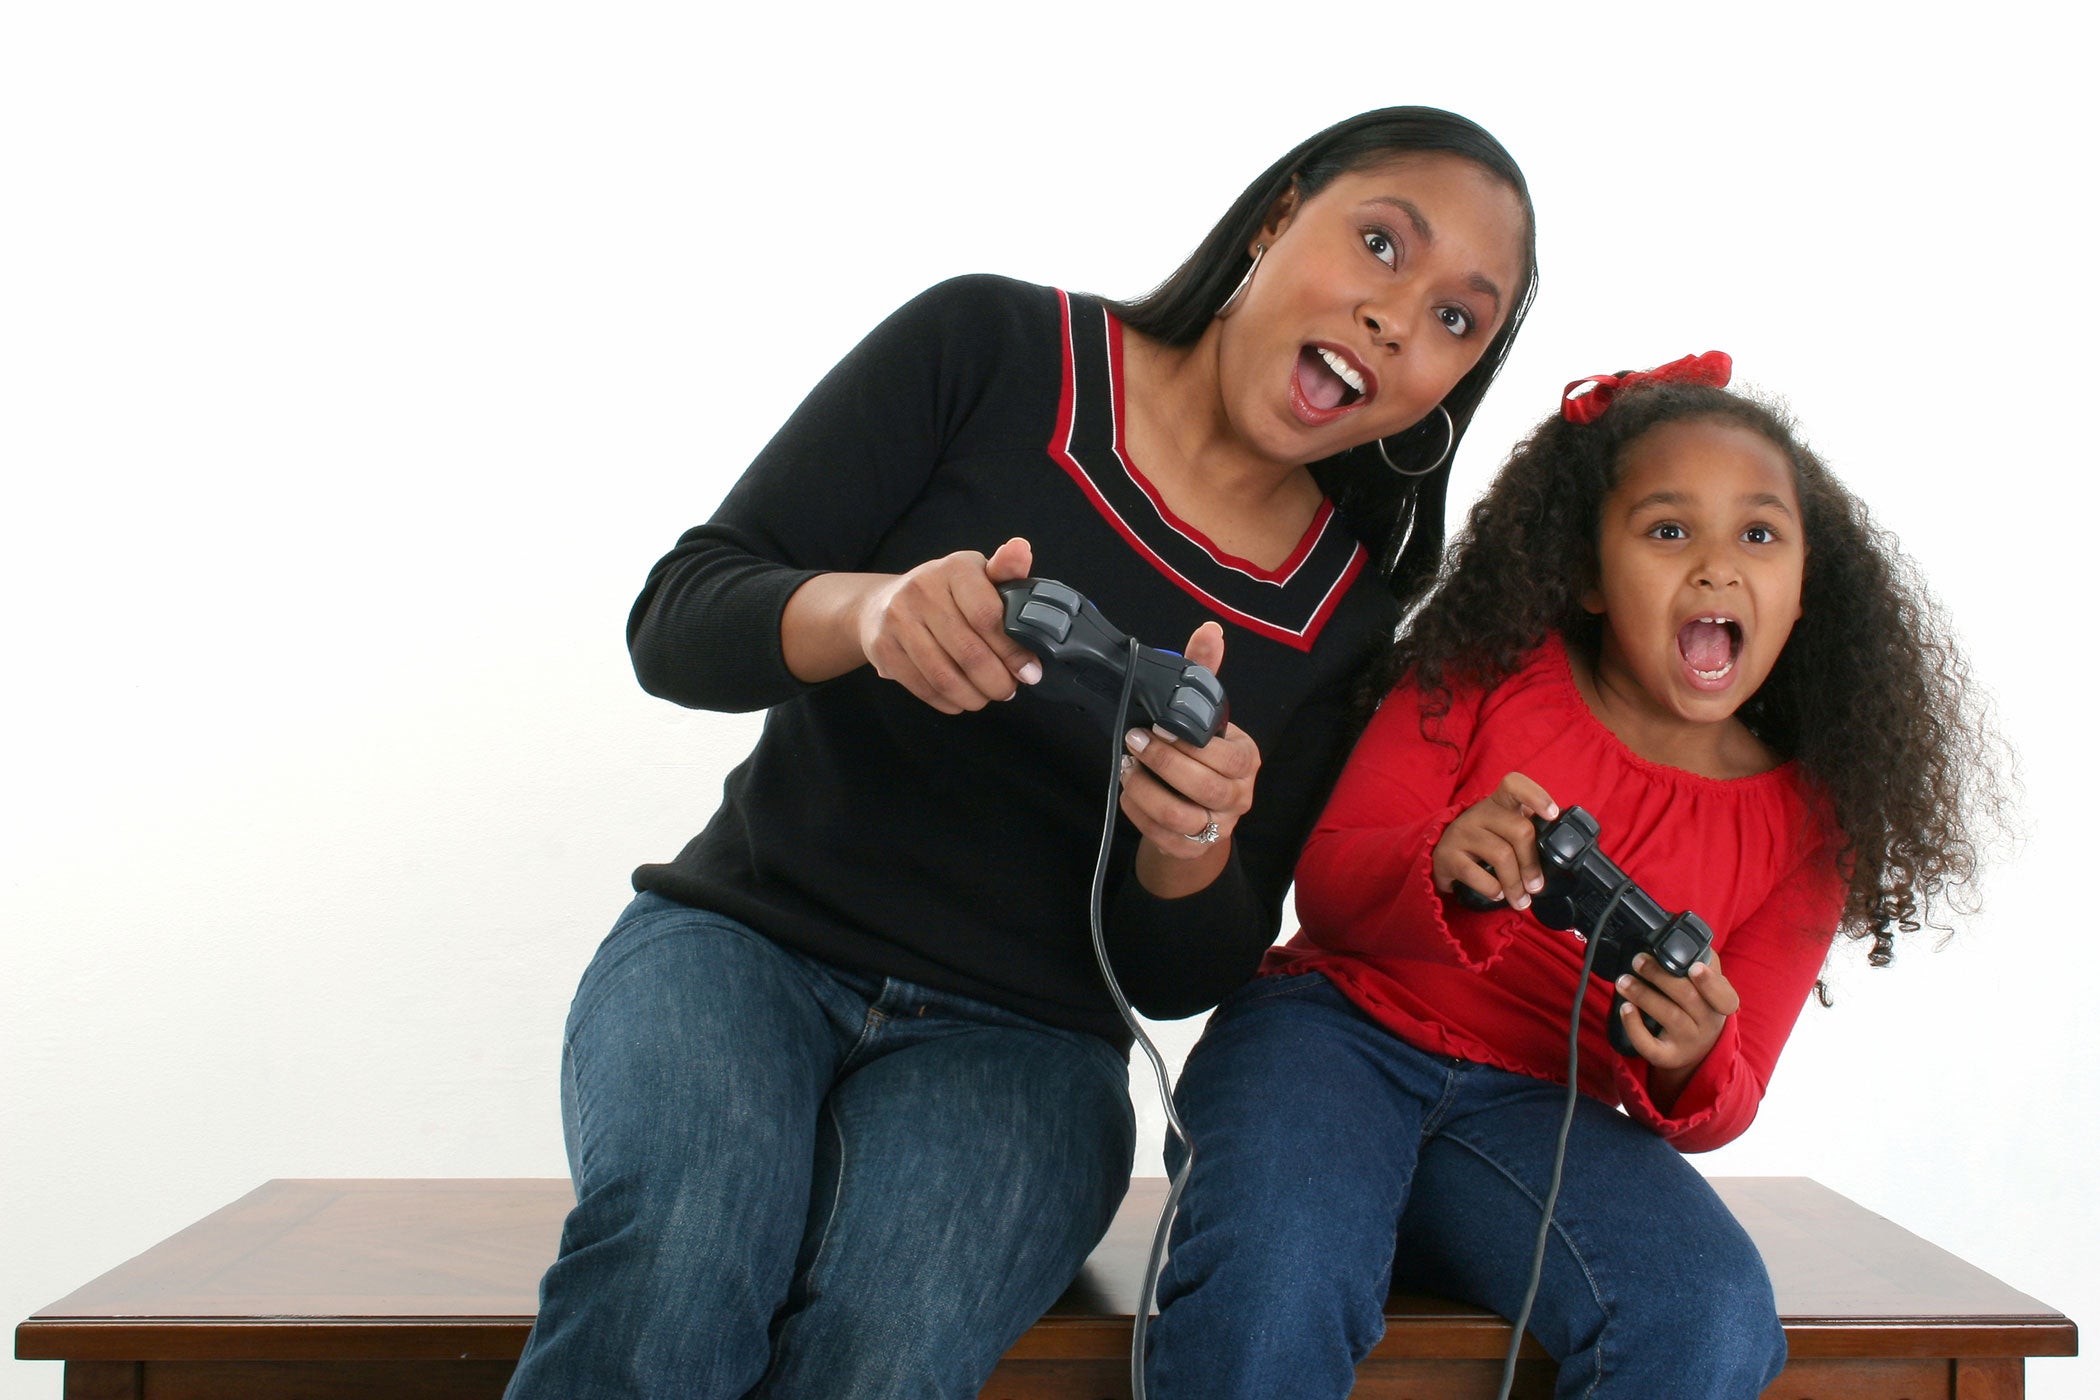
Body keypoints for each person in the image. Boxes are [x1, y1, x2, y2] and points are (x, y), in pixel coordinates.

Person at [502, 107, 1539, 1400]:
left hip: (1028, 1052)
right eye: (1382, 245)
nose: (1400, 318)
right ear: (1278, 218)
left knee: (883, 1346)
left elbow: (1185, 973)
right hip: (740, 949)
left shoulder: (1354, 621)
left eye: (1458, 318)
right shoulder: (989, 347)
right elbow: (676, 622)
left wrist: (1188, 844)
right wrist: (867, 614)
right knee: (677, 1260)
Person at [1143, 357, 2001, 1399]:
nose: (1718, 568)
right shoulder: (1480, 669)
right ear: (1590, 572)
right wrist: (1443, 860)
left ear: (1809, 584)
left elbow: (1728, 1096)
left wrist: (1692, 1052)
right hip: (1332, 1040)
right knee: (1278, 1278)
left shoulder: (1810, 825)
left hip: (1540, 1119)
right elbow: (1326, 882)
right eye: (1669, 529)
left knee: (1708, 1310)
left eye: (1760, 534)